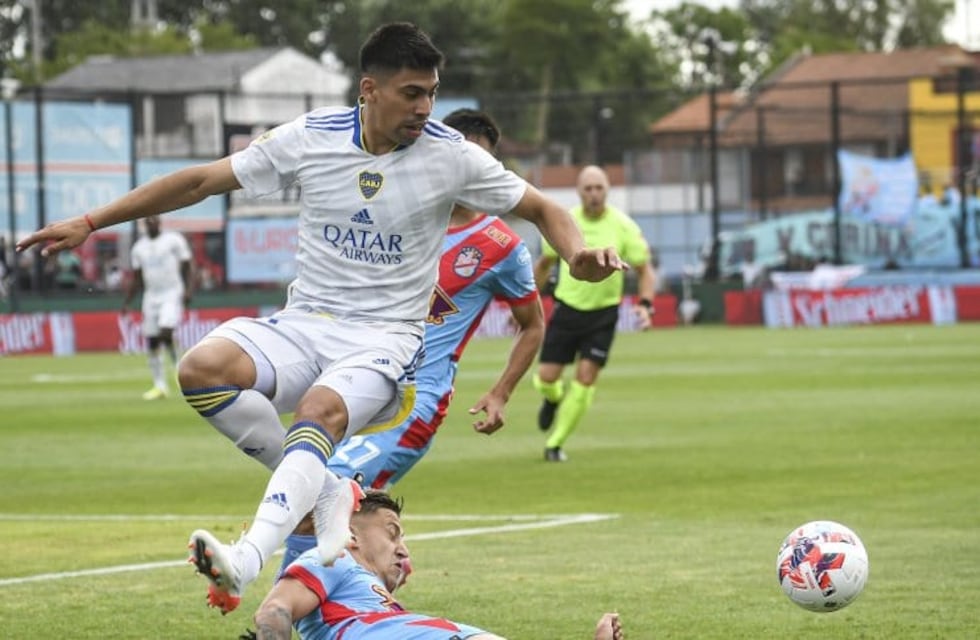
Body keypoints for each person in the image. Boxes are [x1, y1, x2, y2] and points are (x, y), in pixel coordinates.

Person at [15, 23, 625, 615]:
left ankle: (249, 557)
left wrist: (577, 257)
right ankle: (329, 492)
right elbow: (201, 181)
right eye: (412, 93)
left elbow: (543, 207)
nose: (425, 107)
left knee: (319, 413)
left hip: (387, 340)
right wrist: (92, 221)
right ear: (369, 89)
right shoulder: (312, 136)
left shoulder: (451, 155)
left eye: (432, 93)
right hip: (305, 323)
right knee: (200, 368)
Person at [277, 108, 545, 575]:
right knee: (317, 489)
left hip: (415, 402)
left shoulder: (500, 245)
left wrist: (501, 392)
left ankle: (283, 612)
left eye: (479, 162)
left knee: (330, 487)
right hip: (360, 383)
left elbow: (533, 323)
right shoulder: (400, 217)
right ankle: (341, 600)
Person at [245, 490, 625, 640]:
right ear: (352, 535)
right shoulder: (332, 556)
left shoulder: (370, 604)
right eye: (392, 533)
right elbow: (275, 609)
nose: (403, 550)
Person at [533, 165, 656, 462]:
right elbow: (545, 264)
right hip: (567, 310)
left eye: (599, 188)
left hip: (603, 315)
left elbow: (644, 271)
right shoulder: (566, 221)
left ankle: (555, 444)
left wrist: (645, 304)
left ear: (607, 191)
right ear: (579, 192)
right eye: (588, 189)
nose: (594, 194)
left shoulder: (624, 227)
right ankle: (553, 397)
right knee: (546, 378)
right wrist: (528, 302)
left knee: (586, 378)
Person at [121, 215, 194, 400]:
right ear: (145, 224)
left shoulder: (173, 240)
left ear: (160, 221)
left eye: (155, 219)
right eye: (148, 220)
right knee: (152, 341)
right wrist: (128, 302)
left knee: (166, 331)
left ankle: (181, 373)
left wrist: (188, 290)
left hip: (171, 292)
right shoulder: (139, 248)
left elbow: (188, 266)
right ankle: (159, 386)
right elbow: (137, 278)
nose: (152, 222)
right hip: (151, 296)